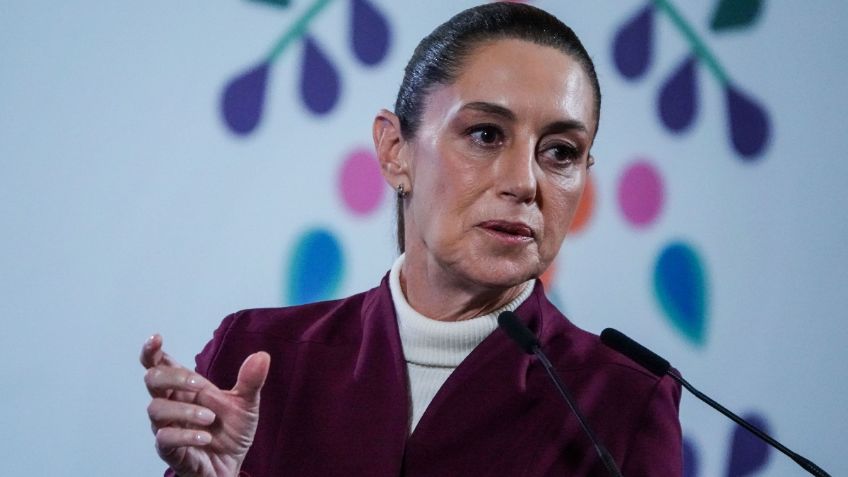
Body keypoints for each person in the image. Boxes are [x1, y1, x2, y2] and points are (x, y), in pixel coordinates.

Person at [141, 3, 683, 476]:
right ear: (395, 151)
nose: (523, 182)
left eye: (561, 152)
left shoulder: (623, 400)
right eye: (485, 134)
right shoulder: (259, 358)